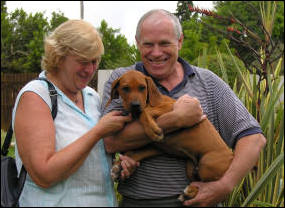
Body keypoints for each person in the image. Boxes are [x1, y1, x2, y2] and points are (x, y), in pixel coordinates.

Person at [101, 9, 267, 207]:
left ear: (179, 42)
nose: (156, 52)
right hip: (140, 202)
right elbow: (109, 142)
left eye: (164, 43)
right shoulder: (124, 80)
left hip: (200, 201)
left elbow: (254, 137)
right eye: (148, 44)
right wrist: (176, 119)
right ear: (137, 43)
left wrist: (224, 185)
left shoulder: (209, 82)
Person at [12, 19, 136, 207]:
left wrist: (118, 166)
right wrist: (98, 132)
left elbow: (89, 159)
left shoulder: (91, 96)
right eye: (83, 62)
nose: (90, 69)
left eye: (95, 61)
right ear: (59, 57)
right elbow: (44, 174)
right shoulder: (36, 96)